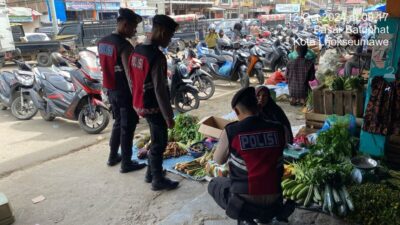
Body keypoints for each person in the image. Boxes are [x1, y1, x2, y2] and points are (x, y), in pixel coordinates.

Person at [208, 87, 289, 223]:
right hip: (275, 198)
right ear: (258, 106)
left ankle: (245, 218)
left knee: (214, 183)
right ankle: (265, 217)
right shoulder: (278, 128)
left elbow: (218, 160)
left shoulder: (232, 131)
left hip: (244, 200)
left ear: (236, 111)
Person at [129, 15, 179, 191]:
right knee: (160, 142)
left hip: (140, 102)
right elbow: (160, 89)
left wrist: (135, 102)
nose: (170, 40)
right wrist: (168, 116)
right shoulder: (156, 56)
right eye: (170, 36)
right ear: (163, 32)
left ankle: (151, 172)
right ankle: (157, 179)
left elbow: (132, 79)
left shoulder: (137, 50)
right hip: (153, 105)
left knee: (154, 136)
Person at [97, 8, 146, 173]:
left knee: (118, 123)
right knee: (128, 127)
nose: (134, 31)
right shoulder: (124, 45)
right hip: (124, 92)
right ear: (125, 25)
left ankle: (112, 156)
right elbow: (130, 75)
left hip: (111, 90)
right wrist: (137, 98)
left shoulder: (103, 42)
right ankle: (126, 163)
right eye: (133, 27)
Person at [286, 41, 316, 106]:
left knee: (295, 90)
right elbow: (312, 79)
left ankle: (294, 99)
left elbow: (287, 77)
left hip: (292, 91)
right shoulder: (310, 63)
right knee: (308, 91)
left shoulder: (289, 63)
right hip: (304, 91)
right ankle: (302, 100)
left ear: (296, 50)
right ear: (306, 51)